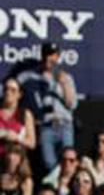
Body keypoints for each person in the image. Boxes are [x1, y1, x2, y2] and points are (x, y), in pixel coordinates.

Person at [14, 40, 76, 172]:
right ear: (42, 56)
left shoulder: (66, 77)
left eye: (53, 55)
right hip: (46, 126)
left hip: (64, 124)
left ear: (57, 57)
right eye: (47, 55)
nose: (49, 59)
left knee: (68, 160)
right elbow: (16, 82)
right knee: (49, 163)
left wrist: (64, 84)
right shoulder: (32, 76)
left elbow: (71, 104)